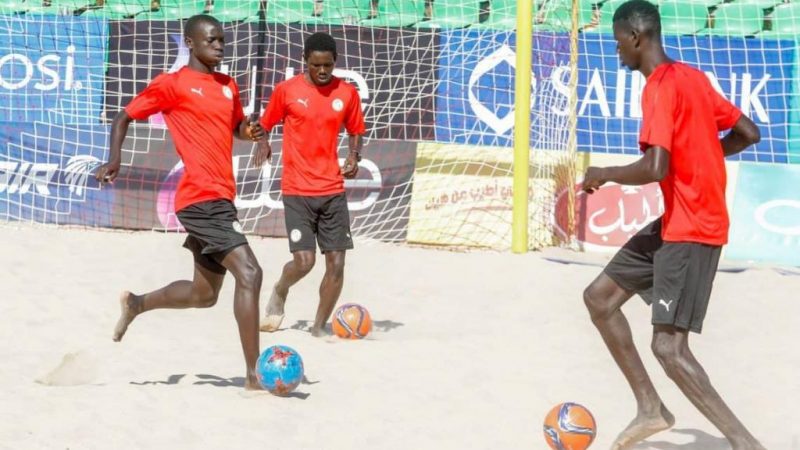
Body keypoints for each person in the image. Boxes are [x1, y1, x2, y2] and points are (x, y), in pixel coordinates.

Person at [581, 1, 765, 449]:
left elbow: (656, 167)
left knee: (669, 348)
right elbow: (748, 132)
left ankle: (746, 443)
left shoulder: (660, 87)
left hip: (694, 227)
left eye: (618, 40)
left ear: (636, 38)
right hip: (676, 220)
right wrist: (703, 155)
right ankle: (651, 409)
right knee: (600, 298)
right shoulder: (692, 77)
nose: (617, 49)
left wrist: (604, 174)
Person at [94, 14, 268, 391]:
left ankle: (137, 304)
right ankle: (254, 375)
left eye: (222, 40)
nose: (220, 45)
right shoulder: (172, 85)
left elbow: (236, 127)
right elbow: (124, 116)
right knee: (251, 273)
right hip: (198, 197)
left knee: (204, 295)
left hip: (221, 196)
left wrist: (249, 131)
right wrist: (114, 158)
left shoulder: (227, 84)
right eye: (212, 40)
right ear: (190, 43)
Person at [254, 32, 365, 337]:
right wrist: (262, 143)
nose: (322, 71)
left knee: (337, 265)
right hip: (297, 190)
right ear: (305, 61)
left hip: (332, 189)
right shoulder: (287, 91)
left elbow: (356, 130)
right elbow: (263, 125)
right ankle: (280, 289)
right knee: (304, 262)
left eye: (328, 65)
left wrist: (354, 156)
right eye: (316, 65)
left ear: (335, 62)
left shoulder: (347, 93)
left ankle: (318, 328)